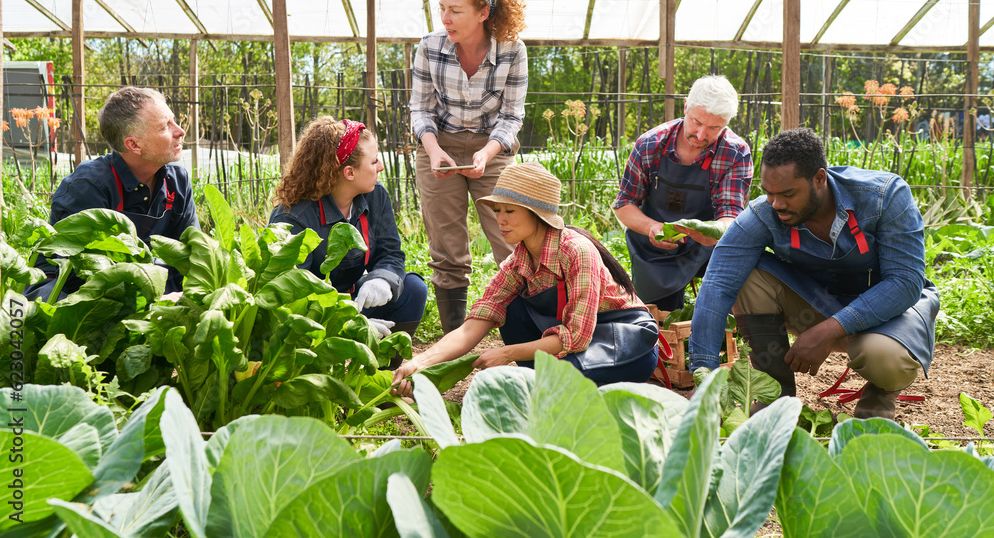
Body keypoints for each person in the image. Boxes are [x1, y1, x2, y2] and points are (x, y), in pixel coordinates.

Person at [688, 128, 939, 420]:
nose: (776, 204)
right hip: (816, 303)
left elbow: (905, 283)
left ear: (819, 179)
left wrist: (829, 329)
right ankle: (776, 396)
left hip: (889, 313)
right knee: (746, 275)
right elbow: (718, 283)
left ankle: (879, 395)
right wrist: (702, 374)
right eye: (768, 193)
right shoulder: (764, 214)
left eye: (788, 194)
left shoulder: (884, 197)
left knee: (886, 358)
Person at [392, 162, 659, 394]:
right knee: (510, 309)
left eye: (510, 211)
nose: (500, 220)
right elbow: (475, 324)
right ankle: (546, 381)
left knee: (557, 379)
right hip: (572, 348)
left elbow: (577, 337)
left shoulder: (577, 251)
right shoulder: (518, 262)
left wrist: (507, 354)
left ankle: (548, 382)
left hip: (622, 346)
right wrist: (421, 362)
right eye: (497, 210)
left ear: (538, 214)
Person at [411, 0, 528, 334]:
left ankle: (521, 333)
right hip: (438, 145)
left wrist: (487, 153)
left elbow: (511, 116)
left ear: (483, 13)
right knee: (446, 245)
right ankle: (454, 340)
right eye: (441, 8)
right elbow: (420, 109)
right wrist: (432, 151)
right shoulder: (429, 48)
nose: (445, 17)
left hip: (492, 150)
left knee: (512, 240)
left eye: (455, 10)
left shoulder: (513, 51)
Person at [269, 116, 426, 365]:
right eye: (374, 161)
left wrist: (382, 280)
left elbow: (391, 253)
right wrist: (345, 321)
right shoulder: (294, 218)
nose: (381, 167)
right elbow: (291, 297)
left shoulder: (376, 197)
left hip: (354, 301)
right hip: (310, 317)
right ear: (349, 172)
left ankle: (382, 377)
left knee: (413, 289)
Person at [27, 86, 197, 299]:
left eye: (173, 120)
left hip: (147, 290)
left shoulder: (178, 181)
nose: (180, 131)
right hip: (73, 295)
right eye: (165, 126)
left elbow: (193, 254)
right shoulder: (89, 185)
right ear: (134, 144)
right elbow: (87, 272)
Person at [613, 75, 752, 312]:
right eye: (696, 122)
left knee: (726, 305)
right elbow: (624, 204)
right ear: (686, 106)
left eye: (713, 128)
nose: (700, 135)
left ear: (726, 123)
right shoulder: (650, 144)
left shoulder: (735, 153)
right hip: (656, 249)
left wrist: (716, 233)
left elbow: (730, 214)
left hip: (709, 247)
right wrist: (651, 228)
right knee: (654, 320)